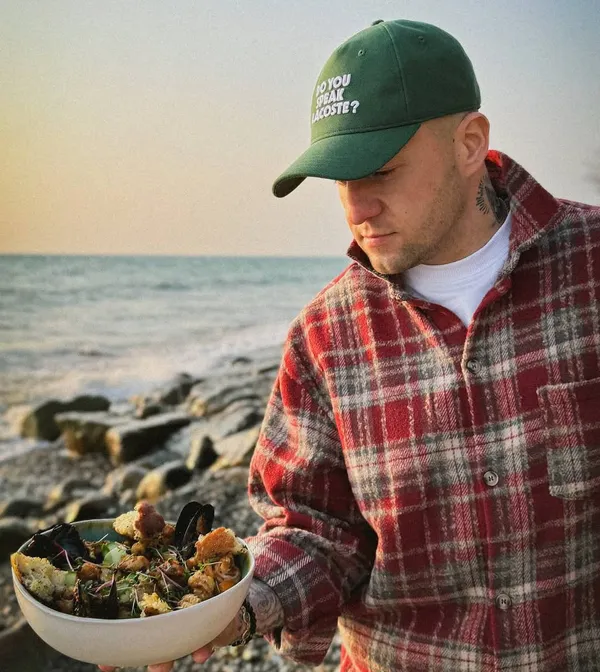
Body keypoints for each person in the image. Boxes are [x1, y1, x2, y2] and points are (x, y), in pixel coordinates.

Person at [100, 18, 600, 672]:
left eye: (381, 171)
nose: (357, 208)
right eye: (341, 180)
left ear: (470, 143)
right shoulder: (324, 337)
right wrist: (227, 605)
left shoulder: (590, 268)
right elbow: (317, 531)